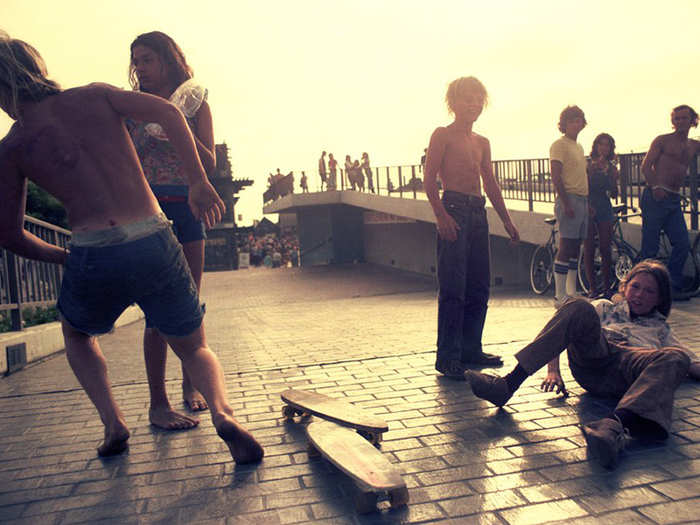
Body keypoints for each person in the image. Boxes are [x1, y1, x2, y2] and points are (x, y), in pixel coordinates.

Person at [0, 34, 264, 463]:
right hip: (152, 235)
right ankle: (223, 412)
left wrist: (61, 256)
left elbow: (9, 233)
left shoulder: (13, 146)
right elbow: (167, 112)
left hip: (93, 248)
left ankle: (113, 422)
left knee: (76, 333)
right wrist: (198, 181)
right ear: (39, 67)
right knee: (194, 344)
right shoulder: (95, 95)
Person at [467, 260, 698, 468]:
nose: (639, 295)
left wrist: (680, 365)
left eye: (649, 291)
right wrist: (553, 371)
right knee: (578, 305)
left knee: (677, 356)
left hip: (629, 371)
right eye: (635, 287)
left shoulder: (661, 328)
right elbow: (563, 327)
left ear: (659, 299)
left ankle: (613, 427)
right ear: (625, 286)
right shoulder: (605, 308)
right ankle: (507, 385)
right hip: (595, 358)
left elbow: (691, 363)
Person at [127, 31, 214, 430]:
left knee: (189, 304)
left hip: (186, 205)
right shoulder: (130, 108)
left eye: (147, 59)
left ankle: (190, 385)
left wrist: (179, 125)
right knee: (155, 311)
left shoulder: (195, 103)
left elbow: (210, 162)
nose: (140, 68)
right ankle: (157, 402)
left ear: (167, 59)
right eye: (136, 61)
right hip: (148, 212)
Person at [424, 76, 520, 379]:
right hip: (453, 208)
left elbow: (489, 182)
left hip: (478, 213)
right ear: (453, 102)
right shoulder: (442, 135)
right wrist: (441, 216)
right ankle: (448, 357)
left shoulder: (482, 142)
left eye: (479, 98)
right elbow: (429, 180)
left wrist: (506, 219)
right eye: (468, 98)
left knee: (479, 285)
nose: (474, 104)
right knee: (453, 287)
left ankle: (470, 349)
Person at [640, 105, 700, 299]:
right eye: (677, 119)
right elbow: (646, 166)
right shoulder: (663, 140)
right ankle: (641, 289)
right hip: (655, 197)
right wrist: (655, 186)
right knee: (650, 247)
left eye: (684, 118)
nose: (680, 122)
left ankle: (671, 287)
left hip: (674, 200)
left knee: (682, 243)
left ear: (693, 120)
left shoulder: (694, 145)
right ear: (673, 122)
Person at [550, 105, 589, 306]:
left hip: (582, 199)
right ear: (564, 123)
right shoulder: (559, 145)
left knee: (576, 247)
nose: (576, 123)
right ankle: (559, 295)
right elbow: (556, 176)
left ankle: (571, 291)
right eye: (572, 120)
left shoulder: (579, 146)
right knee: (566, 245)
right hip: (569, 199)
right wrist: (565, 203)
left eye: (579, 120)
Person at [583, 133, 619, 298]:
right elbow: (583, 186)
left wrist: (612, 176)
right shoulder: (587, 164)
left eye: (607, 145)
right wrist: (592, 171)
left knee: (606, 247)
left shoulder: (611, 167)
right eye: (601, 144)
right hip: (589, 204)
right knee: (589, 246)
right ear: (595, 146)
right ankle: (592, 288)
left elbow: (613, 193)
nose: (603, 148)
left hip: (604, 205)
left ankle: (607, 287)